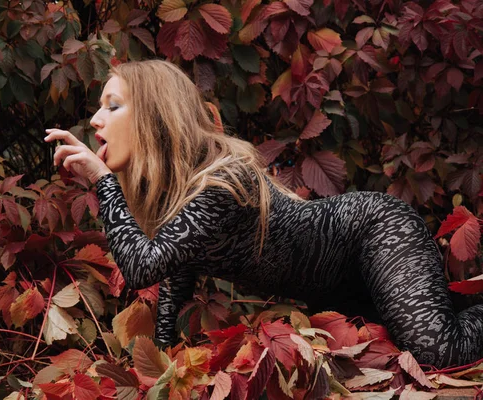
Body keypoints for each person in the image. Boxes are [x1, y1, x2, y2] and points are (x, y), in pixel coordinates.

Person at [45, 59, 483, 368]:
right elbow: (178, 269)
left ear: (155, 117)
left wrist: (101, 178)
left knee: (436, 351)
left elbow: (141, 267)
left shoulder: (221, 182)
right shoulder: (182, 193)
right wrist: (160, 360)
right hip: (338, 286)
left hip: (376, 229)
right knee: (403, 336)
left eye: (113, 104)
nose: (97, 120)